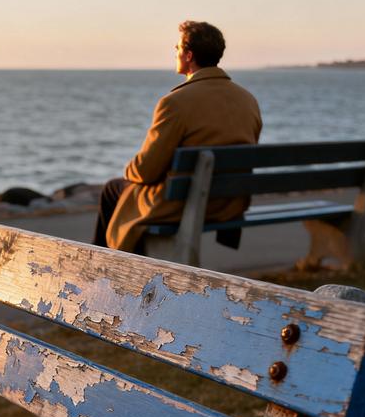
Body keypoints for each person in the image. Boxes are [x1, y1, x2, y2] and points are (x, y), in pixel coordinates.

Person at [93, 21, 262, 253]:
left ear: (189, 55)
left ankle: (104, 272)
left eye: (177, 48)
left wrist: (129, 170)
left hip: (186, 204)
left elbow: (146, 171)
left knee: (113, 189)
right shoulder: (248, 100)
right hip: (227, 203)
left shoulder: (175, 103)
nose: (175, 52)